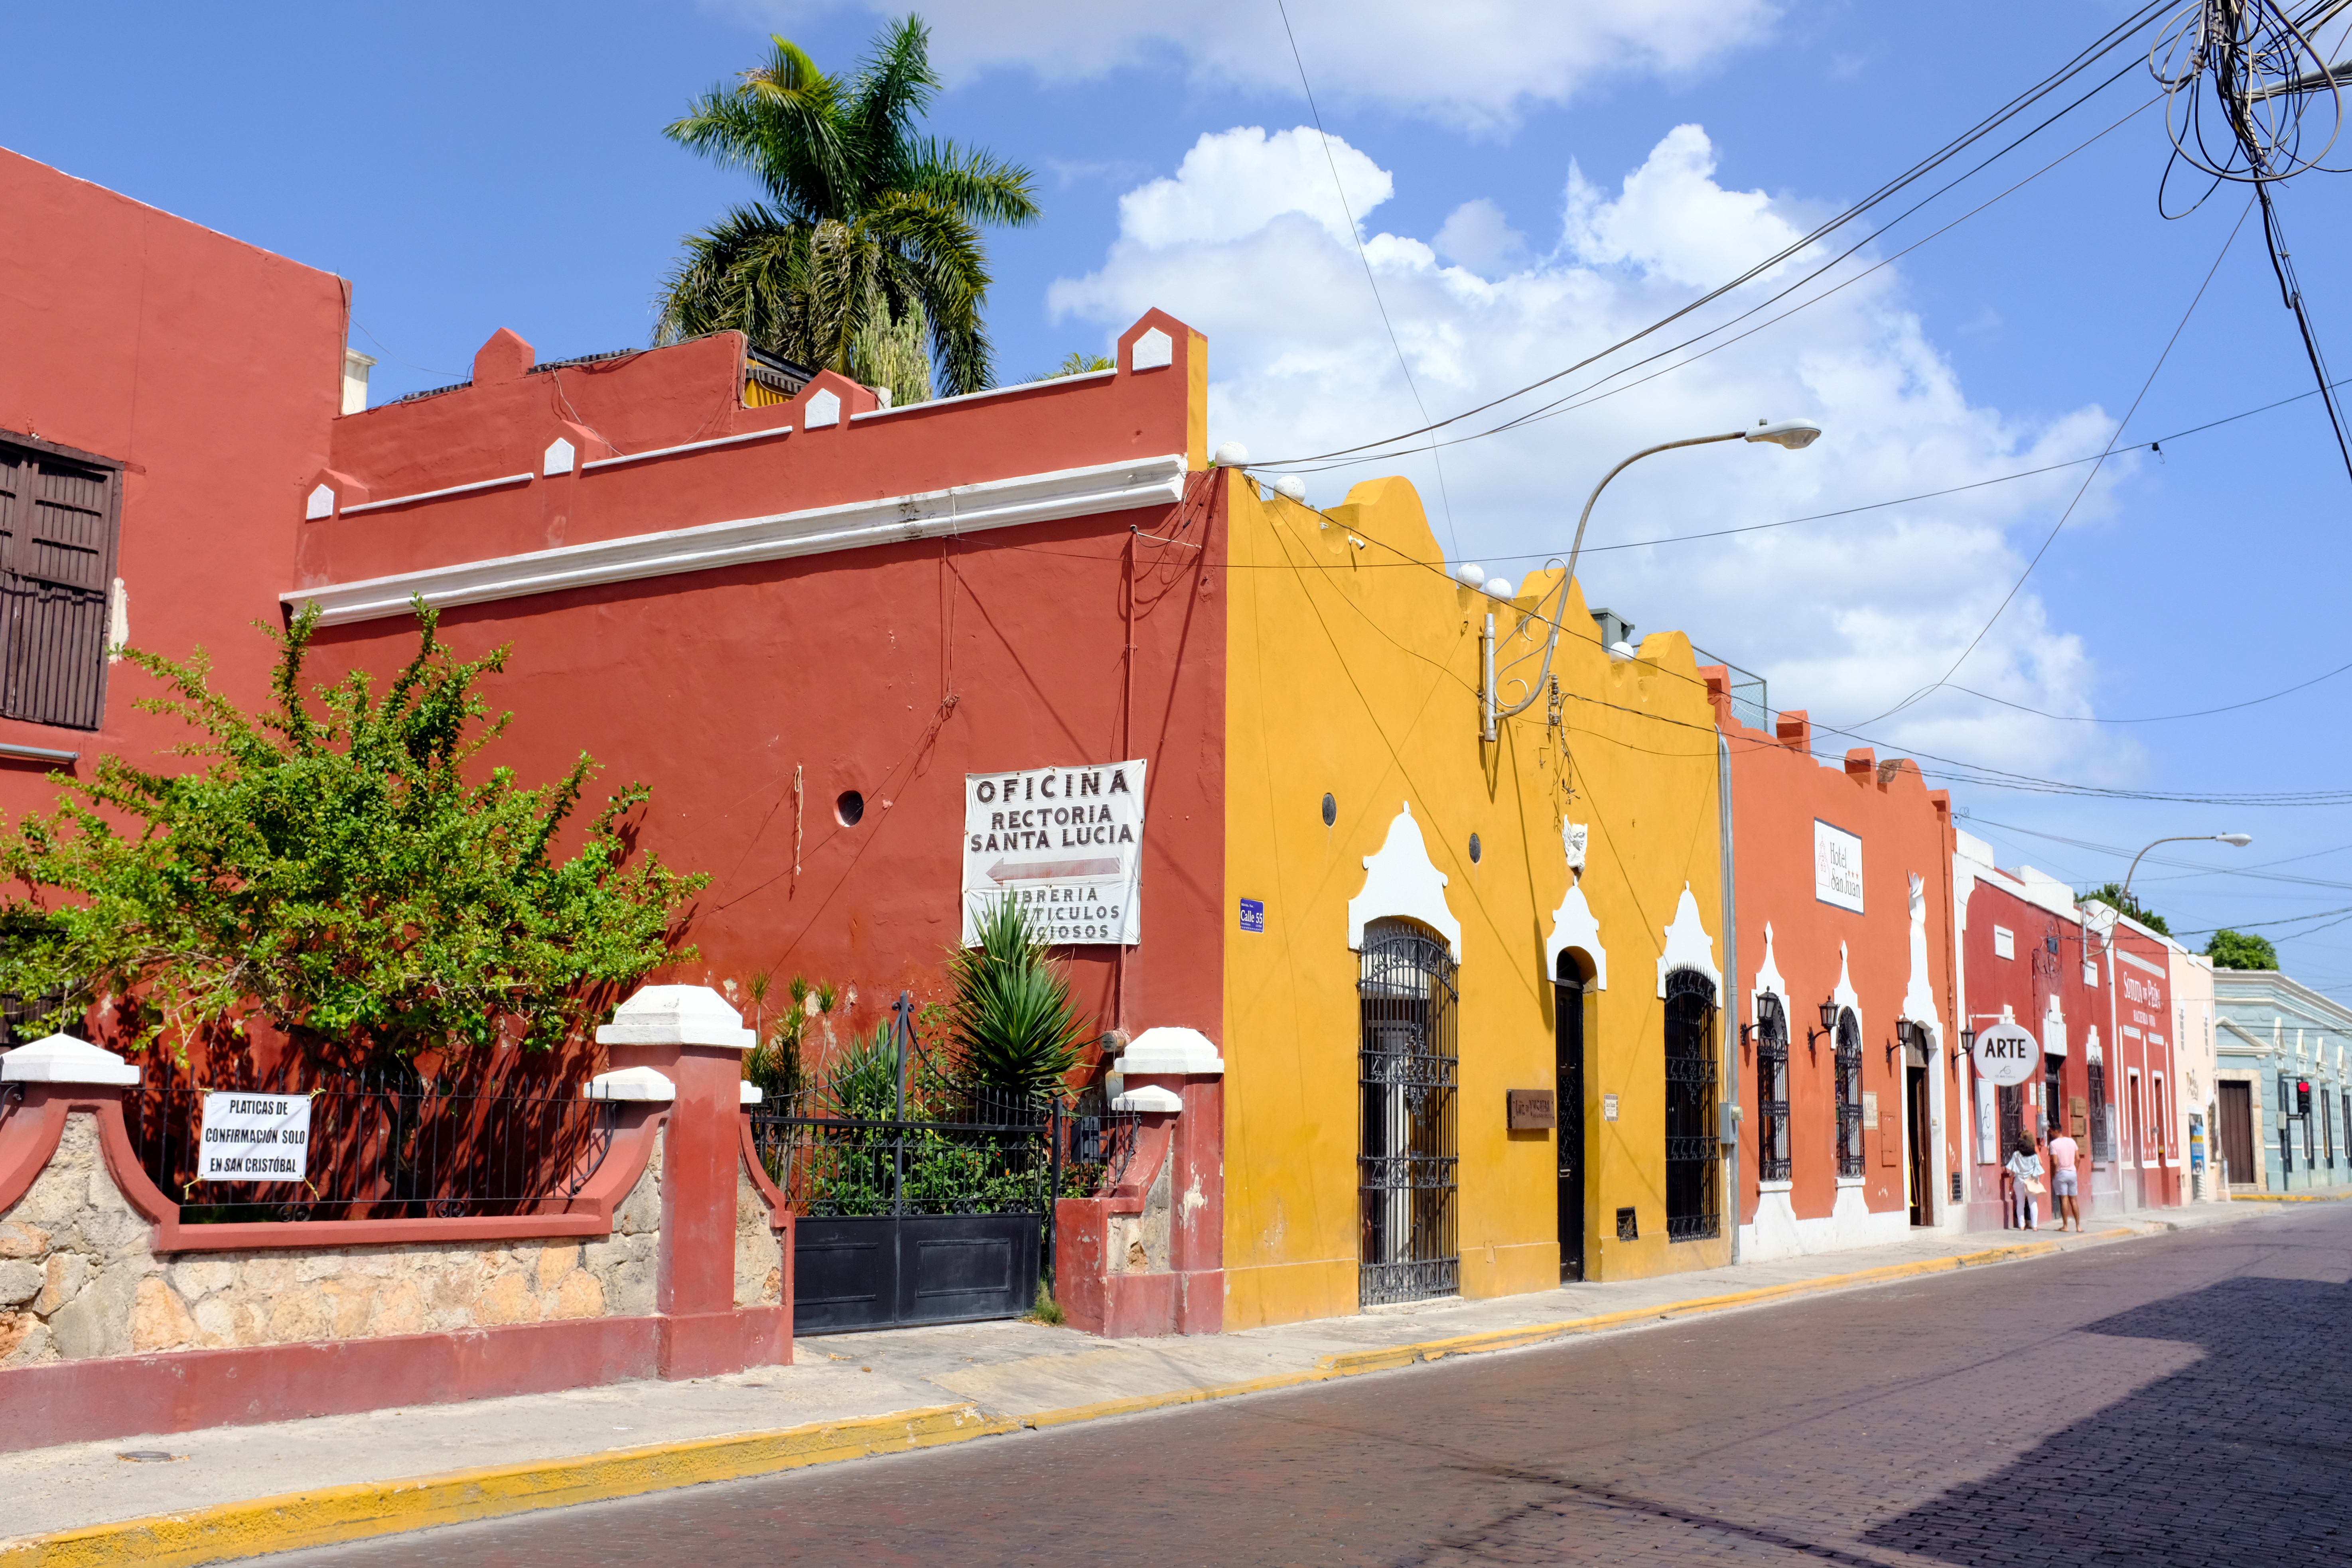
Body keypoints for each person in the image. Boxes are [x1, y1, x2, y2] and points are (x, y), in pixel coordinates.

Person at [2047, 1121, 2084, 1233]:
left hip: (2061, 1173)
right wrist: (2075, 1170)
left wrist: (2054, 1173)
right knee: (2074, 1200)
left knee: (2064, 1199)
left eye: (2052, 1132)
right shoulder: (2072, 1141)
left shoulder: (2053, 1144)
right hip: (2072, 1173)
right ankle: (2078, 1226)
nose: (2051, 1134)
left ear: (2057, 1131)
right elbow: (2078, 1159)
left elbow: (2054, 1162)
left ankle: (2065, 1226)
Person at [2004, 1132, 2044, 1230]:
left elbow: (2013, 1171)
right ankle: (2035, 1226)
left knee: (2020, 1203)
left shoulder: (2016, 1155)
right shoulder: (2034, 1156)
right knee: (2033, 1203)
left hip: (2019, 1181)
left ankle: (2022, 1226)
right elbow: (2038, 1169)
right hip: (2031, 1181)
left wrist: (2010, 1185)